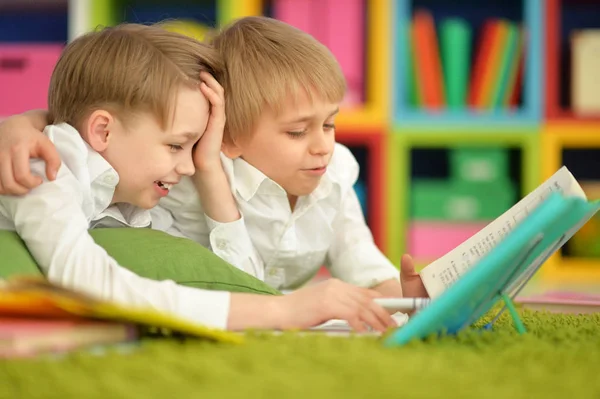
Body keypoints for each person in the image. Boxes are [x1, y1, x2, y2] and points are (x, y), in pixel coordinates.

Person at [0, 22, 398, 333]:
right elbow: (90, 283)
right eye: (177, 145)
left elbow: (234, 282)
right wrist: (284, 309)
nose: (190, 166)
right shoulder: (43, 168)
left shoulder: (130, 197)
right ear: (102, 132)